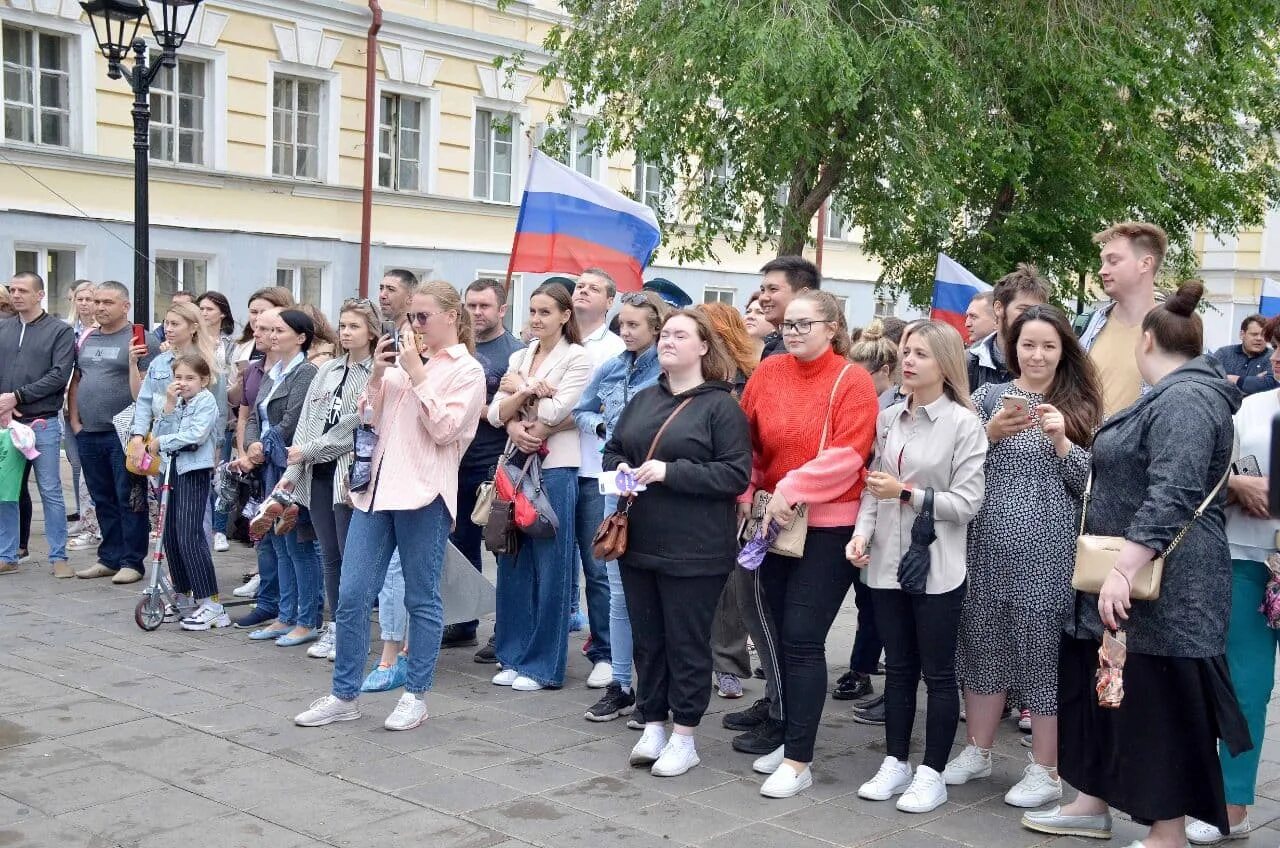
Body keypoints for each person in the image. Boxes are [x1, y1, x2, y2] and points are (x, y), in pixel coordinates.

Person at [1023, 281, 1249, 848]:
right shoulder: (1171, 393)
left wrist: (1124, 569)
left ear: (1147, 340)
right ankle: (1090, 801)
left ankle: (1165, 831)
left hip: (1164, 592)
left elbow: (1172, 492)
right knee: (1104, 690)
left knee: (1155, 705)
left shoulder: (1188, 399)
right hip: (1132, 585)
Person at [294, 281, 485, 732]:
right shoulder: (402, 363)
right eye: (409, 318)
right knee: (354, 593)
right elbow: (367, 419)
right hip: (375, 492)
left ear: (451, 317)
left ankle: (415, 693)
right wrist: (380, 375)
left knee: (422, 596)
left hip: (423, 493)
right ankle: (344, 695)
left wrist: (417, 374)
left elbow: (445, 430)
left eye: (422, 317)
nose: (414, 326)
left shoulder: (467, 370)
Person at [944, 305, 1103, 807]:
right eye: (1028, 344)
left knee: (1041, 652)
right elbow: (957, 467)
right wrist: (988, 434)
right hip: (984, 541)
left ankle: (1046, 768)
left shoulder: (1079, 405)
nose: (1037, 355)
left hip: (1048, 550)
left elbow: (1094, 489)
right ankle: (978, 749)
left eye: (1048, 346)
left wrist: (1061, 441)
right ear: (1013, 347)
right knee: (981, 640)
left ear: (1064, 351)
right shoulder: (988, 397)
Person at [737, 290, 879, 798]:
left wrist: (791, 488)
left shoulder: (853, 379)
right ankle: (791, 736)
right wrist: (749, 489)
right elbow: (749, 442)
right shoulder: (767, 373)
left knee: (801, 636)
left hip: (828, 524)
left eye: (804, 324)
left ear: (833, 326)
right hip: (771, 522)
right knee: (775, 629)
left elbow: (850, 455)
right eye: (788, 325)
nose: (793, 332)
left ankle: (799, 761)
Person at [607, 309, 752, 777]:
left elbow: (735, 474)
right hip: (639, 539)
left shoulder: (721, 406)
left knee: (686, 644)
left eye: (679, 335)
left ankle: (685, 734)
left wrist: (671, 472)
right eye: (665, 334)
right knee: (648, 640)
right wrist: (621, 474)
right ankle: (653, 722)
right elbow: (615, 447)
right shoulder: (644, 398)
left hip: (695, 548)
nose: (668, 340)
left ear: (704, 347)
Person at [850, 320, 986, 814]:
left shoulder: (963, 424)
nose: (907, 361)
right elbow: (873, 487)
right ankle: (895, 762)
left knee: (938, 671)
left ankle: (932, 771)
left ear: (944, 364)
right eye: (906, 351)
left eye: (921, 354)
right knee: (899, 668)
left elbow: (967, 503)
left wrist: (907, 493)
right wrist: (861, 534)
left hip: (938, 565)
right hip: (885, 561)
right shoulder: (888, 419)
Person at [1178, 338, 1278, 844]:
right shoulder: (1249, 410)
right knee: (1246, 686)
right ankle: (1232, 804)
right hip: (1250, 558)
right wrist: (1239, 488)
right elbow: (1206, 474)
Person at [488, 283, 590, 691]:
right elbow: (496, 414)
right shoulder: (519, 355)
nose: (536, 319)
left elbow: (556, 410)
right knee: (512, 561)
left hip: (555, 467)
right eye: (532, 311)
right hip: (515, 464)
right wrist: (523, 397)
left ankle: (543, 665)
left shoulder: (578, 358)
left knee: (552, 568)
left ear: (565, 316)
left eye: (545, 312)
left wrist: (520, 389)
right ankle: (512, 654)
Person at [576, 290, 668, 721]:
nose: (626, 332)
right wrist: (601, 428)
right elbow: (581, 409)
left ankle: (656, 688)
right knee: (616, 592)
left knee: (654, 593)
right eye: (622, 324)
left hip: (659, 490)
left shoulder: (666, 373)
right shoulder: (611, 368)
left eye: (634, 325)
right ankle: (621, 684)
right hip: (616, 485)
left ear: (656, 327)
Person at [279, 299, 377, 661]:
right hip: (315, 471)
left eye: (355, 326)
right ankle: (335, 625)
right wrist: (295, 467)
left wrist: (313, 448)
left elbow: (356, 424)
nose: (347, 332)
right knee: (330, 555)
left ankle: (355, 629)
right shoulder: (329, 369)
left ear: (371, 331)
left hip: (348, 473)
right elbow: (307, 419)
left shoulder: (375, 373)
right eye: (343, 325)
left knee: (353, 556)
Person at [237, 309, 321, 647]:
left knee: (298, 541)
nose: (272, 336)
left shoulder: (306, 372)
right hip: (267, 462)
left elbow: (293, 418)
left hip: (290, 464)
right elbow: (258, 412)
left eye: (280, 330)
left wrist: (264, 445)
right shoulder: (274, 370)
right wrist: (254, 444)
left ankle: (307, 618)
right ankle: (285, 614)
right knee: (278, 542)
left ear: (300, 337)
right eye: (269, 330)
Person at [68, 281, 160, 583]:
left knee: (128, 497)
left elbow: (150, 386)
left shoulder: (139, 337)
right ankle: (109, 557)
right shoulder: (89, 337)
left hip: (123, 433)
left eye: (108, 302)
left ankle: (132, 561)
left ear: (125, 306)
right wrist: (76, 421)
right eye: (96, 302)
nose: (100, 307)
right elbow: (79, 379)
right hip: (90, 431)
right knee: (101, 497)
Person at [829, 319, 900, 704]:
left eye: (864, 375)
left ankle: (864, 669)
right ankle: (861, 667)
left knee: (875, 597)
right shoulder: (864, 399)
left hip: (882, 505)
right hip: (856, 505)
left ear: (884, 372)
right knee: (864, 594)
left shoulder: (892, 408)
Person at [451, 279, 522, 658]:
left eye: (484, 306)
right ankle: (463, 622)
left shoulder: (516, 352)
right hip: (454, 463)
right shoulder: (460, 347)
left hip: (495, 465)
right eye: (471, 305)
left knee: (500, 549)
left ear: (502, 310)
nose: (477, 313)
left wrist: (482, 411)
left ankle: (506, 630)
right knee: (459, 547)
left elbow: (513, 410)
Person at [569, 268, 624, 684]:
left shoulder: (615, 349)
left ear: (609, 302)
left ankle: (604, 651)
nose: (582, 291)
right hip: (554, 463)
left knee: (598, 564)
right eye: (578, 285)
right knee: (550, 564)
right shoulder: (551, 340)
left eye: (593, 287)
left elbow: (605, 411)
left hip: (594, 469)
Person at [0, 272, 75, 575]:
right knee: (6, 491)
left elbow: (59, 374)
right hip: (6, 423)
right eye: (13, 290)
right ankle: (7, 555)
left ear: (40, 295)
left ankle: (59, 557)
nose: (16, 295)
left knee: (51, 491)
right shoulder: (3, 328)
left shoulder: (59, 331)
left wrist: (17, 396)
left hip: (42, 423)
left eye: (23, 290)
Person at [151, 353, 226, 630]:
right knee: (170, 535)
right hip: (172, 470)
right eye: (178, 377)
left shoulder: (206, 401)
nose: (183, 383)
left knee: (189, 535)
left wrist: (162, 441)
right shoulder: (179, 402)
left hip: (194, 471)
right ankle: (182, 595)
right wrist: (168, 406)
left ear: (204, 380)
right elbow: (160, 430)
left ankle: (211, 602)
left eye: (190, 378)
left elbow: (196, 434)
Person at [1078, 222, 1166, 417]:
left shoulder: (1175, 331)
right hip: (1081, 446)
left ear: (1145, 264)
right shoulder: (1086, 325)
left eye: (1113, 261)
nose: (1102, 270)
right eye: (1103, 261)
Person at [196, 291, 238, 552]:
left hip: (226, 417)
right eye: (200, 308)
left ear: (222, 313)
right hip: (199, 417)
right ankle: (204, 525)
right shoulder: (194, 342)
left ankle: (220, 528)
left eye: (209, 308)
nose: (203, 313)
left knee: (221, 476)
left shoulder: (230, 346)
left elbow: (232, 385)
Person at [967, 264, 1051, 392]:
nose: (1034, 317)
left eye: (1039, 310)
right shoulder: (967, 363)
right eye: (1024, 309)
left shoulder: (1053, 365)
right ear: (999, 308)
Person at [64, 280, 100, 552]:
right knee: (77, 466)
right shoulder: (69, 330)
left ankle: (95, 523)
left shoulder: (99, 333)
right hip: (69, 405)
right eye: (81, 299)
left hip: (96, 411)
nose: (86, 304)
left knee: (93, 471)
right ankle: (83, 515)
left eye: (91, 298)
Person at [755, 256, 819, 359]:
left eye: (773, 289)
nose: (763, 298)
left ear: (803, 294)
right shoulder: (775, 345)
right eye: (762, 290)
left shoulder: (805, 351)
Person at [1214, 314, 1272, 387]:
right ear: (1242, 334)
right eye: (1254, 334)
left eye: (1264, 335)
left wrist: (1229, 379)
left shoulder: (1272, 358)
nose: (1259, 338)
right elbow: (1207, 378)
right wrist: (1254, 381)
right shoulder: (1224, 353)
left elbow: (1270, 384)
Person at [743, 292, 776, 362]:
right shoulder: (731, 356)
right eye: (748, 312)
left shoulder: (781, 356)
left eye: (760, 312)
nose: (750, 316)